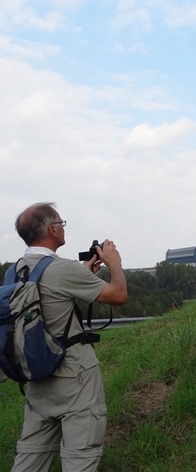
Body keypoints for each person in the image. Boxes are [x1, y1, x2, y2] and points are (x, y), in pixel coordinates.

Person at [9, 202, 127, 472]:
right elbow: (118, 296)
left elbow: (45, 295)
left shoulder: (13, 271)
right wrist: (115, 265)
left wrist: (83, 272)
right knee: (80, 459)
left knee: (30, 457)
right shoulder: (63, 268)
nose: (63, 228)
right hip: (75, 377)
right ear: (52, 229)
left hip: (36, 376)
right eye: (61, 224)